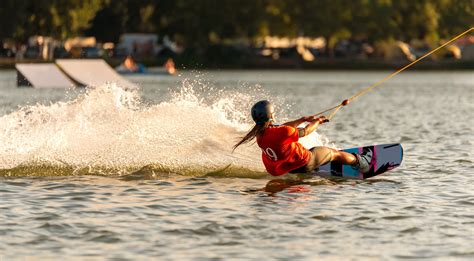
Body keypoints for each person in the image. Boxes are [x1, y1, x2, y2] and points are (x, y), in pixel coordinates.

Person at [233, 100, 373, 176]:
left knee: (310, 150)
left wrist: (302, 119)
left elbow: (283, 127)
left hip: (289, 169)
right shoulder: (280, 132)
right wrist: (317, 122)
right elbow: (306, 131)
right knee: (333, 153)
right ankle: (362, 162)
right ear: (271, 115)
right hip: (304, 163)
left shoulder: (259, 134)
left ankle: (315, 167)